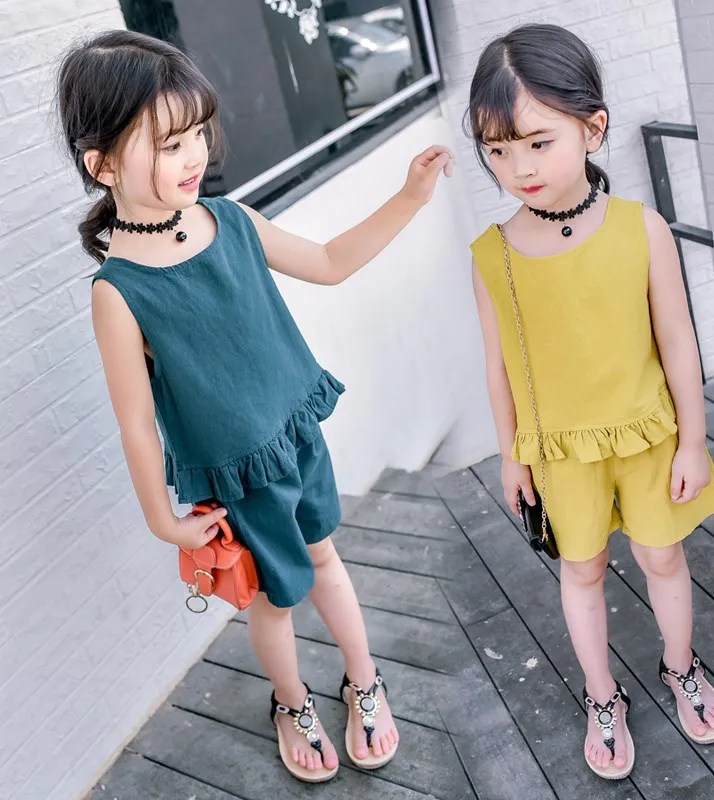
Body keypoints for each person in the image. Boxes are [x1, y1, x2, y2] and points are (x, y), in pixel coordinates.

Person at [56, 29, 453, 784]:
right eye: (168, 144)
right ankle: (292, 703)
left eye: (195, 134)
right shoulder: (119, 292)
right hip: (237, 477)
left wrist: (407, 197)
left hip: (295, 438)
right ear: (102, 165)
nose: (194, 155)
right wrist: (163, 520)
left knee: (326, 558)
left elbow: (329, 263)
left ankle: (365, 681)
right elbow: (136, 424)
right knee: (274, 600)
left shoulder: (231, 221)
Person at [467, 23, 714, 781]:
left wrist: (692, 440)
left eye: (537, 142)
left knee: (662, 554)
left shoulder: (640, 229)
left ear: (593, 127)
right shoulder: (492, 254)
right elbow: (499, 368)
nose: (518, 167)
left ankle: (680, 665)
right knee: (580, 570)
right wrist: (512, 457)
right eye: (496, 150)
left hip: (647, 434)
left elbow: (678, 342)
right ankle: (601, 693)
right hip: (561, 450)